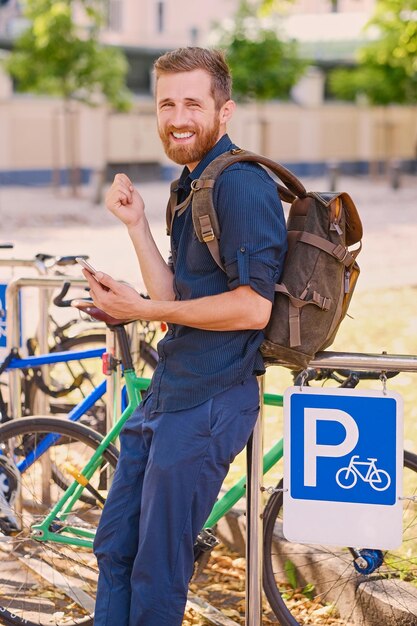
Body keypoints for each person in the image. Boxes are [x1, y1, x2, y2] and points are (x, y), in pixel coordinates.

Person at [84, 46, 287, 626]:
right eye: (166, 103)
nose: (177, 117)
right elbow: (174, 302)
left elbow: (252, 307)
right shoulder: (190, 183)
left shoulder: (241, 183)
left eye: (192, 103)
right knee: (116, 546)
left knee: (157, 566)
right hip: (170, 391)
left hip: (211, 399)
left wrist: (144, 306)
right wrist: (135, 229)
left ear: (224, 113)